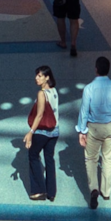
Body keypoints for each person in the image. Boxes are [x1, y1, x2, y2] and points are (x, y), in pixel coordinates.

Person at [77, 54, 111, 207]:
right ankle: (105, 192)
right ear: (108, 70)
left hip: (94, 128)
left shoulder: (89, 88)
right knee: (108, 159)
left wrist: (82, 131)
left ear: (96, 70)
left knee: (91, 159)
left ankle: (93, 188)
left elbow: (84, 111)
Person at [25, 63, 63, 202]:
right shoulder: (54, 91)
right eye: (37, 75)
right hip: (55, 131)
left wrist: (31, 132)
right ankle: (51, 192)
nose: (37, 78)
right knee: (49, 159)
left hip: (42, 132)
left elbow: (40, 115)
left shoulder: (41, 94)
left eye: (40, 76)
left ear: (47, 77)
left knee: (33, 155)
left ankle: (39, 190)